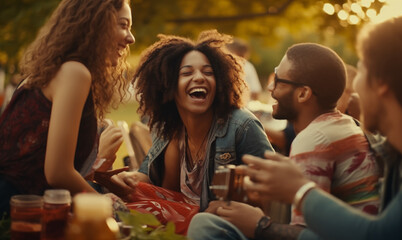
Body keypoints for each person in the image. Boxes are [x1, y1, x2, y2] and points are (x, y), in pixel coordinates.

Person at [238, 11, 402, 240]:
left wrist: (295, 194)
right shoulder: (400, 156)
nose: (353, 88)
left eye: (362, 69)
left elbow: (383, 236)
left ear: (382, 84)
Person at [187, 43, 381, 240]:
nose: (270, 87)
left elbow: (301, 233)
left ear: (303, 93)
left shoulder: (313, 139)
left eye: (279, 80)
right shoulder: (343, 125)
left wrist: (258, 223)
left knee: (205, 224)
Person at [109, 30, 274, 211]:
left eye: (208, 72)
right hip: (178, 223)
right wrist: (128, 179)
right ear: (168, 84)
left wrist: (230, 203)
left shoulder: (242, 126)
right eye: (186, 73)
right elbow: (151, 180)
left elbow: (271, 192)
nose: (199, 77)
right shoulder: (167, 127)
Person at [0, 0, 135, 215]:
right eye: (123, 25)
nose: (131, 37)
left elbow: (39, 163)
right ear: (96, 22)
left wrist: (99, 178)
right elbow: (58, 172)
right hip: (15, 213)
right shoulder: (75, 73)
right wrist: (105, 206)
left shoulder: (50, 72)